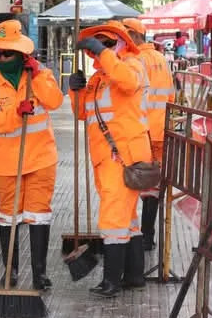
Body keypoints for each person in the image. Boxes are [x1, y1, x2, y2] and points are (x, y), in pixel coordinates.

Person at [0, 20, 65, 290]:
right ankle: (11, 271)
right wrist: (15, 114)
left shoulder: (40, 75)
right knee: (8, 217)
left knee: (38, 215)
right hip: (6, 163)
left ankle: (40, 273)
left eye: (8, 53)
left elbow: (55, 101)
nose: (2, 57)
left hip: (40, 158)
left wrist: (37, 75)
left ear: (21, 54)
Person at [68, 20, 152, 297]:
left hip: (123, 156)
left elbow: (127, 83)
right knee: (126, 218)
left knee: (113, 218)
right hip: (105, 157)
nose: (101, 49)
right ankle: (134, 275)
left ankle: (111, 281)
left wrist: (103, 55)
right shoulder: (98, 77)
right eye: (98, 45)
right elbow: (82, 114)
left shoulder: (132, 65)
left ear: (121, 42)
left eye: (106, 43)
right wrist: (75, 90)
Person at [123, 18, 175, 256]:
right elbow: (171, 96)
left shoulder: (136, 61)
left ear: (133, 36)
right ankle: (148, 235)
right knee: (153, 185)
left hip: (142, 130)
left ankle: (136, 235)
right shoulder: (160, 59)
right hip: (161, 130)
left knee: (136, 183)